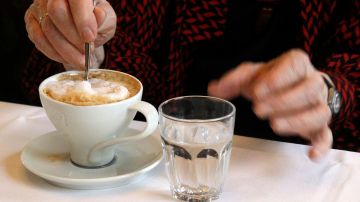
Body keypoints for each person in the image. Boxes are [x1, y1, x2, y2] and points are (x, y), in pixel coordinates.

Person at [24, 0, 359, 160]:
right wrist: (86, 47)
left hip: (303, 172)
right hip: (155, 170)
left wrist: (331, 95)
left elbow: (349, 80)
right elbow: (121, 47)